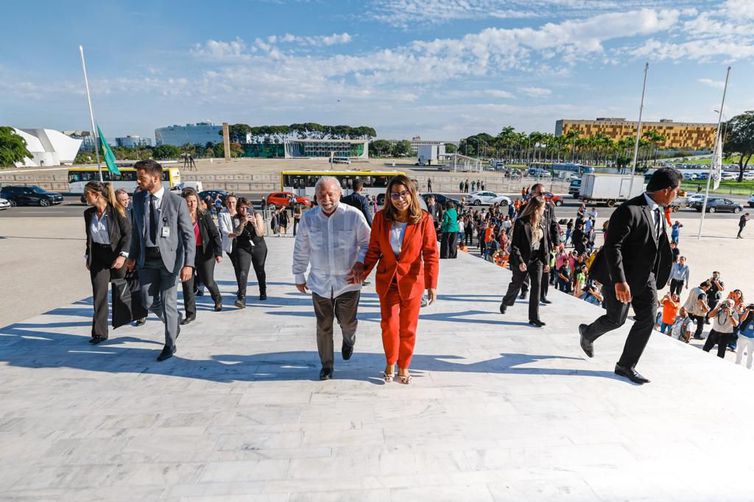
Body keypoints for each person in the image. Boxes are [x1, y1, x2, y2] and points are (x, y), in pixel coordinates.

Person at [579, 167, 681, 384]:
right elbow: (612, 247)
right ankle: (588, 333)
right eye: (676, 191)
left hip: (647, 277)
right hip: (622, 277)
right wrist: (619, 281)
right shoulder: (629, 210)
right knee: (616, 319)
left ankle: (625, 365)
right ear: (666, 190)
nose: (677, 195)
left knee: (648, 318)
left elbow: (658, 244)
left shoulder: (659, 210)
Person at [352, 175, 439, 384]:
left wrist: (431, 285)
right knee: (389, 325)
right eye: (394, 195)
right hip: (388, 279)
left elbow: (431, 254)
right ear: (388, 197)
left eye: (404, 194)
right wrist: (362, 271)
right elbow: (373, 250)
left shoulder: (423, 219)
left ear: (412, 194)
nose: (400, 199)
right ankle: (390, 361)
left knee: (408, 328)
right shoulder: (382, 219)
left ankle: (404, 366)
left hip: (412, 281)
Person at [292, 177, 370, 380]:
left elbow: (368, 243)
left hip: (348, 283)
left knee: (347, 322)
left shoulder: (353, 216)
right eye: (321, 195)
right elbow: (301, 248)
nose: (326, 198)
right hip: (320, 282)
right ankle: (327, 365)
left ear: (339, 194)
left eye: (330, 194)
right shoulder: (309, 219)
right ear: (315, 197)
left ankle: (349, 339)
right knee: (323, 326)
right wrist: (299, 275)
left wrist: (360, 263)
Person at [125, 159, 195, 362]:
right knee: (147, 300)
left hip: (170, 261)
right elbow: (136, 231)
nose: (138, 180)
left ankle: (169, 344)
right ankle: (173, 321)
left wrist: (188, 264)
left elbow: (188, 235)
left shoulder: (177, 202)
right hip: (147, 259)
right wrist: (131, 256)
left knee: (168, 301)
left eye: (141, 177)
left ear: (155, 178)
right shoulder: (138, 200)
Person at [83, 181, 131, 344]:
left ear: (97, 195)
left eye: (87, 193)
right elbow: (89, 239)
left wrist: (123, 256)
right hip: (98, 257)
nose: (85, 196)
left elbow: (127, 235)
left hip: (116, 256)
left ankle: (134, 314)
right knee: (99, 295)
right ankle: (99, 333)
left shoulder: (117, 211)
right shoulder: (88, 213)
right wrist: (88, 256)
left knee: (122, 289)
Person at [499, 196, 550, 327]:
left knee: (537, 287)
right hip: (522, 259)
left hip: (536, 259)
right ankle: (506, 301)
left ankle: (534, 317)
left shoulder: (543, 221)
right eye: (543, 207)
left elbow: (545, 244)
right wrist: (521, 261)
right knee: (516, 284)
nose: (545, 210)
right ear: (536, 209)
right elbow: (515, 245)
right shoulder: (521, 222)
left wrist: (546, 262)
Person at [179, 188, 223, 323]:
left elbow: (215, 234)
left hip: (205, 252)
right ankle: (190, 313)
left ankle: (217, 299)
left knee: (208, 281)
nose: (191, 204)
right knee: (187, 284)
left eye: (193, 201)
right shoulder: (179, 217)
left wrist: (218, 253)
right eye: (188, 202)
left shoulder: (204, 215)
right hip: (187, 254)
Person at [229, 197, 268, 306]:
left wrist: (254, 223)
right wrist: (242, 223)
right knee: (242, 271)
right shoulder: (236, 218)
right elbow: (236, 233)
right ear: (238, 208)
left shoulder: (257, 215)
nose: (244, 210)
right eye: (241, 208)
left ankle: (263, 291)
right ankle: (241, 297)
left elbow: (260, 233)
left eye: (246, 207)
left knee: (259, 270)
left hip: (258, 245)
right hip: (243, 246)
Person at [735, 304, 754, 369]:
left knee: (750, 354)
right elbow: (742, 319)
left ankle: (748, 368)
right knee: (740, 351)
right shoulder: (748, 313)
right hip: (743, 335)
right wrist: (748, 310)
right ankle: (737, 365)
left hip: (752, 338)